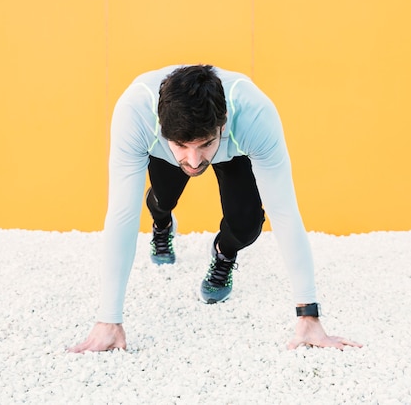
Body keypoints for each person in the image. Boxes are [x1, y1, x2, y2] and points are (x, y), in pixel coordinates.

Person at [69, 65, 361, 353]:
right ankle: (162, 222)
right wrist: (108, 320)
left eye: (205, 144)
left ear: (222, 125)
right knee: (162, 198)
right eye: (183, 146)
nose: (194, 162)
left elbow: (284, 211)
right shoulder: (135, 113)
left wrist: (308, 315)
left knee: (247, 224)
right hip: (162, 152)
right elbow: (122, 214)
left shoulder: (254, 114)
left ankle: (223, 252)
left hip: (231, 150)